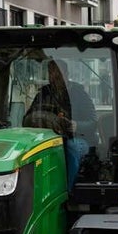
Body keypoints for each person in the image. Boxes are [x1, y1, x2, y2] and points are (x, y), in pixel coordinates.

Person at [25, 59, 96, 188]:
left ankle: (66, 191)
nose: (54, 76)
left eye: (58, 72)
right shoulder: (43, 94)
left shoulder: (79, 93)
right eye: (51, 72)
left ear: (66, 73)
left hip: (77, 138)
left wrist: (76, 125)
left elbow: (93, 122)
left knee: (70, 148)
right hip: (46, 140)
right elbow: (28, 118)